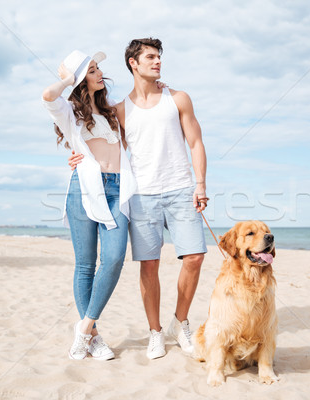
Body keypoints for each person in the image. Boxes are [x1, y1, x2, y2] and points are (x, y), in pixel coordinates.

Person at [69, 37, 208, 360]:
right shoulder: (118, 111)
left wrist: (200, 184)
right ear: (133, 62)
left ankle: (180, 322)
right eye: (150, 56)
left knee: (195, 257)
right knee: (149, 265)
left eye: (159, 56)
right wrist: (76, 157)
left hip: (180, 189)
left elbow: (196, 143)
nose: (157, 61)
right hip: (141, 195)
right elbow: (99, 142)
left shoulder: (178, 98)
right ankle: (155, 332)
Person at [42, 50, 137, 361]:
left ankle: (83, 329)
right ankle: (94, 337)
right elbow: (47, 95)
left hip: (118, 190)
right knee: (85, 264)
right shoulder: (69, 111)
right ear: (82, 79)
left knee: (113, 259)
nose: (99, 74)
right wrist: (69, 78)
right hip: (84, 190)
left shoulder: (111, 111)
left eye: (98, 69)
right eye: (92, 70)